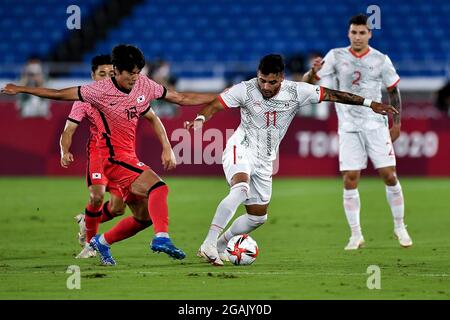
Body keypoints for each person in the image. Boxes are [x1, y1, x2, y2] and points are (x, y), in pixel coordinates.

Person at [2, 44, 217, 265]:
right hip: (112, 159)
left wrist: (220, 98)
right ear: (116, 70)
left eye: (137, 72)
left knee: (143, 218)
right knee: (158, 187)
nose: (135, 77)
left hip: (129, 157)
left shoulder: (143, 84)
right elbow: (57, 94)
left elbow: (180, 97)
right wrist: (21, 89)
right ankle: (162, 238)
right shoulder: (97, 92)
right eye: (130, 73)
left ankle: (102, 241)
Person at [184, 54, 398, 266]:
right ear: (258, 76)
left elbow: (333, 95)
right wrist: (201, 118)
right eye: (262, 80)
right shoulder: (245, 89)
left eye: (272, 82)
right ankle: (209, 243)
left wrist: (371, 104)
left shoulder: (297, 92)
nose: (266, 87)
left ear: (282, 78)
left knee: (257, 218)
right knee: (240, 188)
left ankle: (221, 245)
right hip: (241, 147)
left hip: (266, 159)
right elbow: (215, 105)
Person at [302, 14, 412, 250]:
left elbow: (393, 91)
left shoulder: (380, 59)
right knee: (350, 180)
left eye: (362, 33)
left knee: (389, 175)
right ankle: (355, 235)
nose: (358, 37)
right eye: (354, 32)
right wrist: (313, 72)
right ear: (348, 34)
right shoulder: (336, 56)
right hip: (349, 127)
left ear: (370, 34)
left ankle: (400, 226)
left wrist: (397, 123)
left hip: (376, 126)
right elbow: (308, 83)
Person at [60, 54, 127, 259]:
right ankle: (91, 243)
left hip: (122, 153)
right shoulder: (85, 98)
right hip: (98, 152)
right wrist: (65, 150)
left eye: (111, 74)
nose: (107, 78)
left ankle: (85, 221)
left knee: (118, 208)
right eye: (102, 74)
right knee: (97, 196)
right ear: (93, 75)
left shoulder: (126, 93)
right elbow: (68, 130)